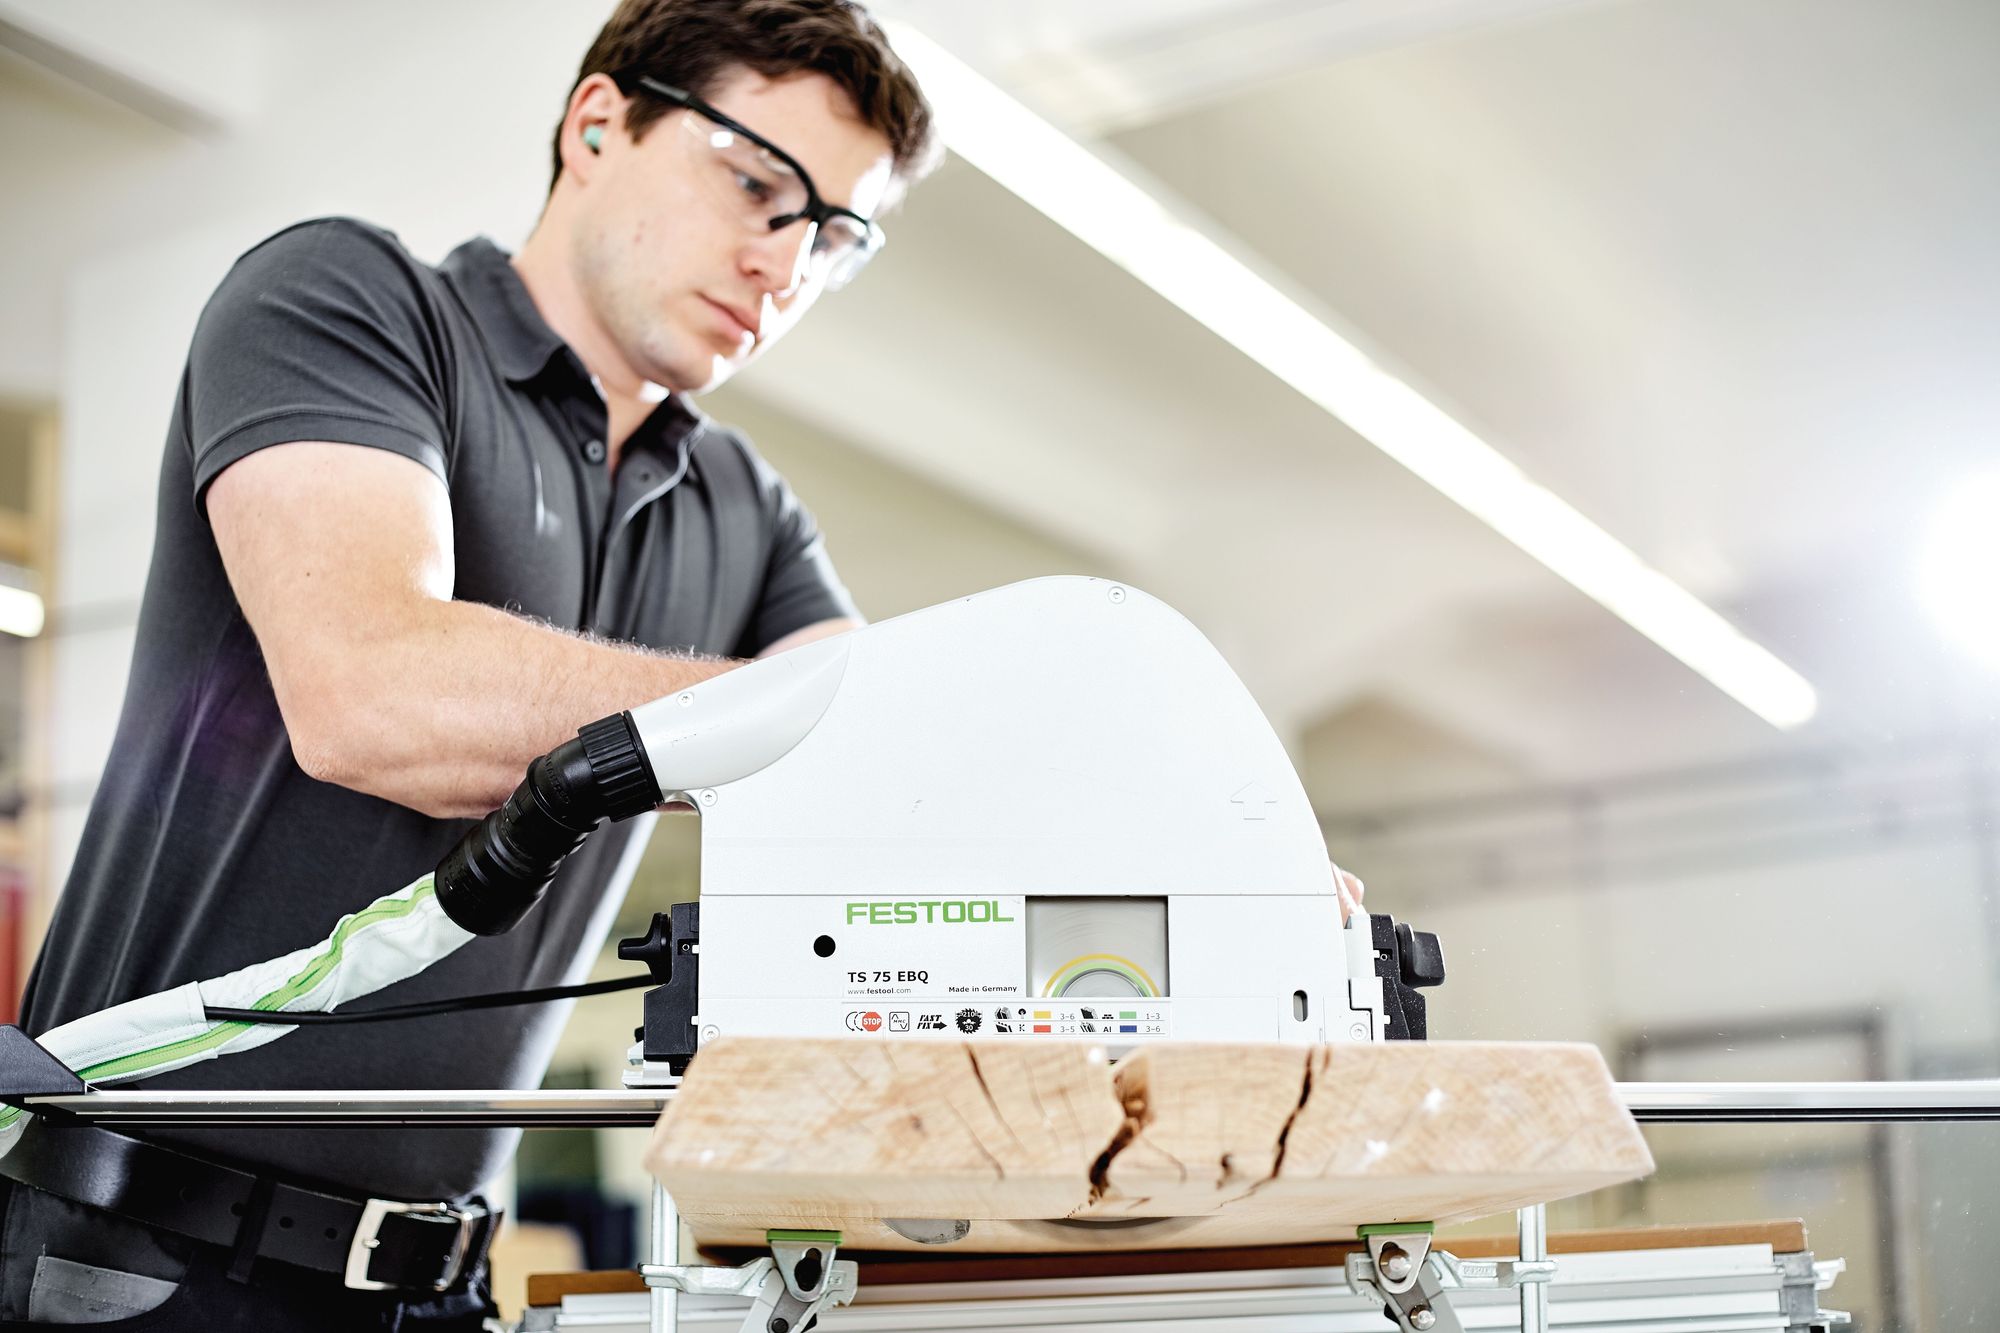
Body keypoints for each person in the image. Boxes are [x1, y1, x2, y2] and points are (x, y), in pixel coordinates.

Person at [0, 1, 937, 1325]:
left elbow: (911, 770)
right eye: (755, 184)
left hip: (439, 1282)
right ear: (599, 125)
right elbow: (376, 695)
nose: (782, 263)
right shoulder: (348, 300)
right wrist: (789, 723)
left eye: (833, 234)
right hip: (136, 1256)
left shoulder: (747, 509)